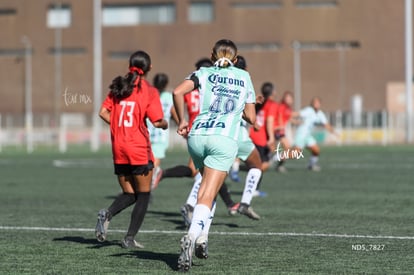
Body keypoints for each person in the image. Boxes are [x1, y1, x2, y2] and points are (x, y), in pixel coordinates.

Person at [173, 39, 256, 272]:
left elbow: (177, 92)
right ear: (236, 59)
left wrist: (181, 120)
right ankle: (191, 237)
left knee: (208, 190)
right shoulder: (243, 76)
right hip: (223, 138)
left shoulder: (204, 72)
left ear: (212, 55)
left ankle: (202, 238)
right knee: (208, 193)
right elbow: (251, 117)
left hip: (197, 136)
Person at [94, 50, 168, 248]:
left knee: (130, 194)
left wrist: (118, 126)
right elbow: (157, 121)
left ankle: (107, 214)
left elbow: (102, 112)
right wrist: (166, 124)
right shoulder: (148, 91)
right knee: (143, 195)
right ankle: (129, 238)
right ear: (149, 68)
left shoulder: (119, 86)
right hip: (138, 148)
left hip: (119, 148)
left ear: (130, 65)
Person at [147, 73, 178, 189]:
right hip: (161, 134)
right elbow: (174, 112)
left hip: (146, 132)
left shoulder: (149, 95)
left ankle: (145, 185)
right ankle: (149, 183)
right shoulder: (169, 97)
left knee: (144, 162)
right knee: (155, 163)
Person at [248, 82, 277, 196]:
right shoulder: (271, 104)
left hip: (253, 135)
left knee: (259, 164)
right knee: (262, 165)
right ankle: (253, 189)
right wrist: (271, 138)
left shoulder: (260, 101)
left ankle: (254, 187)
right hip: (261, 138)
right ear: (273, 92)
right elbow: (269, 121)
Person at [292, 97, 335, 171]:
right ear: (312, 104)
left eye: (318, 103)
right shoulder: (308, 110)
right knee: (295, 154)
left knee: (316, 150)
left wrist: (333, 131)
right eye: (315, 102)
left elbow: (326, 124)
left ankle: (311, 165)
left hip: (308, 136)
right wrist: (289, 115)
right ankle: (277, 157)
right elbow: (297, 114)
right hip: (301, 134)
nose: (316, 104)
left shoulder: (320, 114)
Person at [273, 90, 295, 172]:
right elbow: (279, 117)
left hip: (282, 129)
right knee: (288, 148)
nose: (289, 100)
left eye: (290, 98)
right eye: (287, 98)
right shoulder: (282, 106)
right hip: (278, 129)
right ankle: (274, 158)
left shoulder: (288, 108)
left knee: (287, 149)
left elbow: (288, 118)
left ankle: (279, 165)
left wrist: (297, 122)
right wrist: (281, 128)